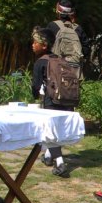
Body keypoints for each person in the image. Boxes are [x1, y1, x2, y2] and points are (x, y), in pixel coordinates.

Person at [31, 26, 73, 178]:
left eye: (35, 42)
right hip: (66, 100)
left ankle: (60, 163)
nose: (32, 45)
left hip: (51, 101)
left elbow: (36, 86)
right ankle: (48, 156)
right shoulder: (59, 59)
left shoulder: (40, 62)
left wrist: (35, 95)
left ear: (44, 45)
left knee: (49, 132)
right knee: (56, 132)